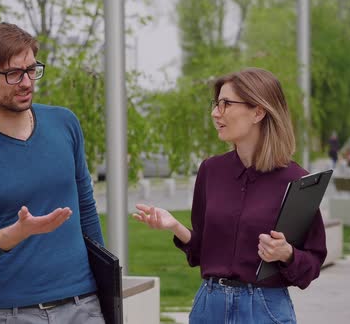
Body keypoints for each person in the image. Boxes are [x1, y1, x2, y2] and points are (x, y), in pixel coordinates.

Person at [0, 22, 105, 324]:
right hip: (9, 314)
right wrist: (17, 233)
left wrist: (108, 290)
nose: (27, 82)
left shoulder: (65, 124)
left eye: (31, 69)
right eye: (13, 73)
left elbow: (87, 211)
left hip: (85, 307)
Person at [133, 68, 327, 323]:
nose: (215, 113)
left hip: (263, 310)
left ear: (258, 112)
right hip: (208, 306)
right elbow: (202, 252)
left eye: (226, 104)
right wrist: (175, 226)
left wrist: (286, 254)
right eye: (216, 104)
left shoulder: (296, 181)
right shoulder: (211, 171)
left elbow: (312, 263)